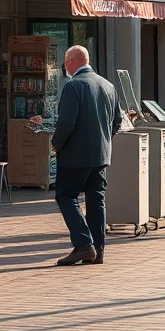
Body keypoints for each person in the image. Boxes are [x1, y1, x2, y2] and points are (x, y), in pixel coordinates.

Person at [50, 45, 122, 266]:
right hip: (100, 155)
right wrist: (103, 140)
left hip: (74, 155)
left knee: (65, 196)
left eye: (66, 62)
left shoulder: (73, 86)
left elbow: (66, 122)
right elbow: (117, 121)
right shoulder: (108, 85)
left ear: (72, 62)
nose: (65, 67)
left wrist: (56, 144)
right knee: (96, 198)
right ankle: (98, 250)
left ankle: (83, 244)